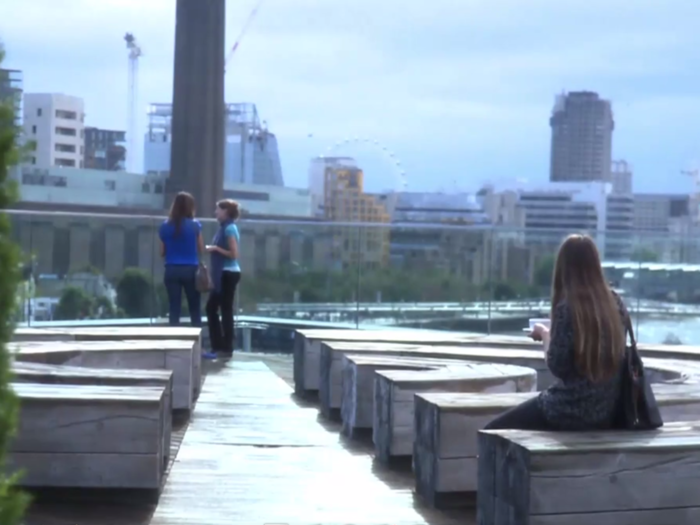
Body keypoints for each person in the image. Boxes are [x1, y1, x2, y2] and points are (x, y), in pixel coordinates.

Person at [484, 234, 628, 431]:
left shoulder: (568, 307)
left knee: (494, 430)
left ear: (563, 268)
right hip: (608, 410)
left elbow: (557, 365)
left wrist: (544, 334)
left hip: (568, 410)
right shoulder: (616, 303)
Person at [159, 192, 204, 327]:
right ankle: (198, 343)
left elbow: (162, 252)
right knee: (194, 307)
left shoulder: (165, 226)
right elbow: (201, 248)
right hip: (191, 270)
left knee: (174, 307)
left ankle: (174, 342)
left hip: (171, 270)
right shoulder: (195, 225)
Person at [205, 199, 241, 359]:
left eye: (218, 210)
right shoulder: (224, 228)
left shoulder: (229, 229)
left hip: (228, 273)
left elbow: (233, 254)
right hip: (223, 273)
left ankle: (224, 346)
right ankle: (221, 346)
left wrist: (215, 249)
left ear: (226, 211)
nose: (215, 213)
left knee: (219, 309)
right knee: (217, 309)